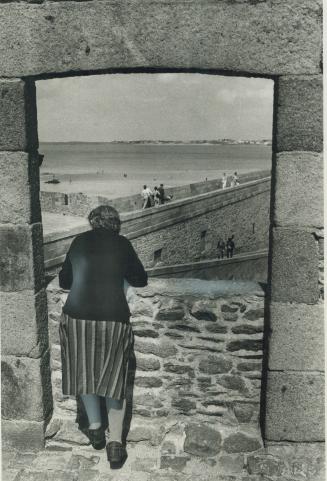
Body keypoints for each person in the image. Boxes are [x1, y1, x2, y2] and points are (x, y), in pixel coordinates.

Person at [58, 205, 147, 468]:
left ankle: (96, 429)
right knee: (114, 378)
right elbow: (140, 278)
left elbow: (64, 281)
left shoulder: (79, 241)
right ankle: (115, 445)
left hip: (76, 317)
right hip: (113, 319)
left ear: (93, 222)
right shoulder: (122, 244)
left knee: (84, 371)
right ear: (116, 224)